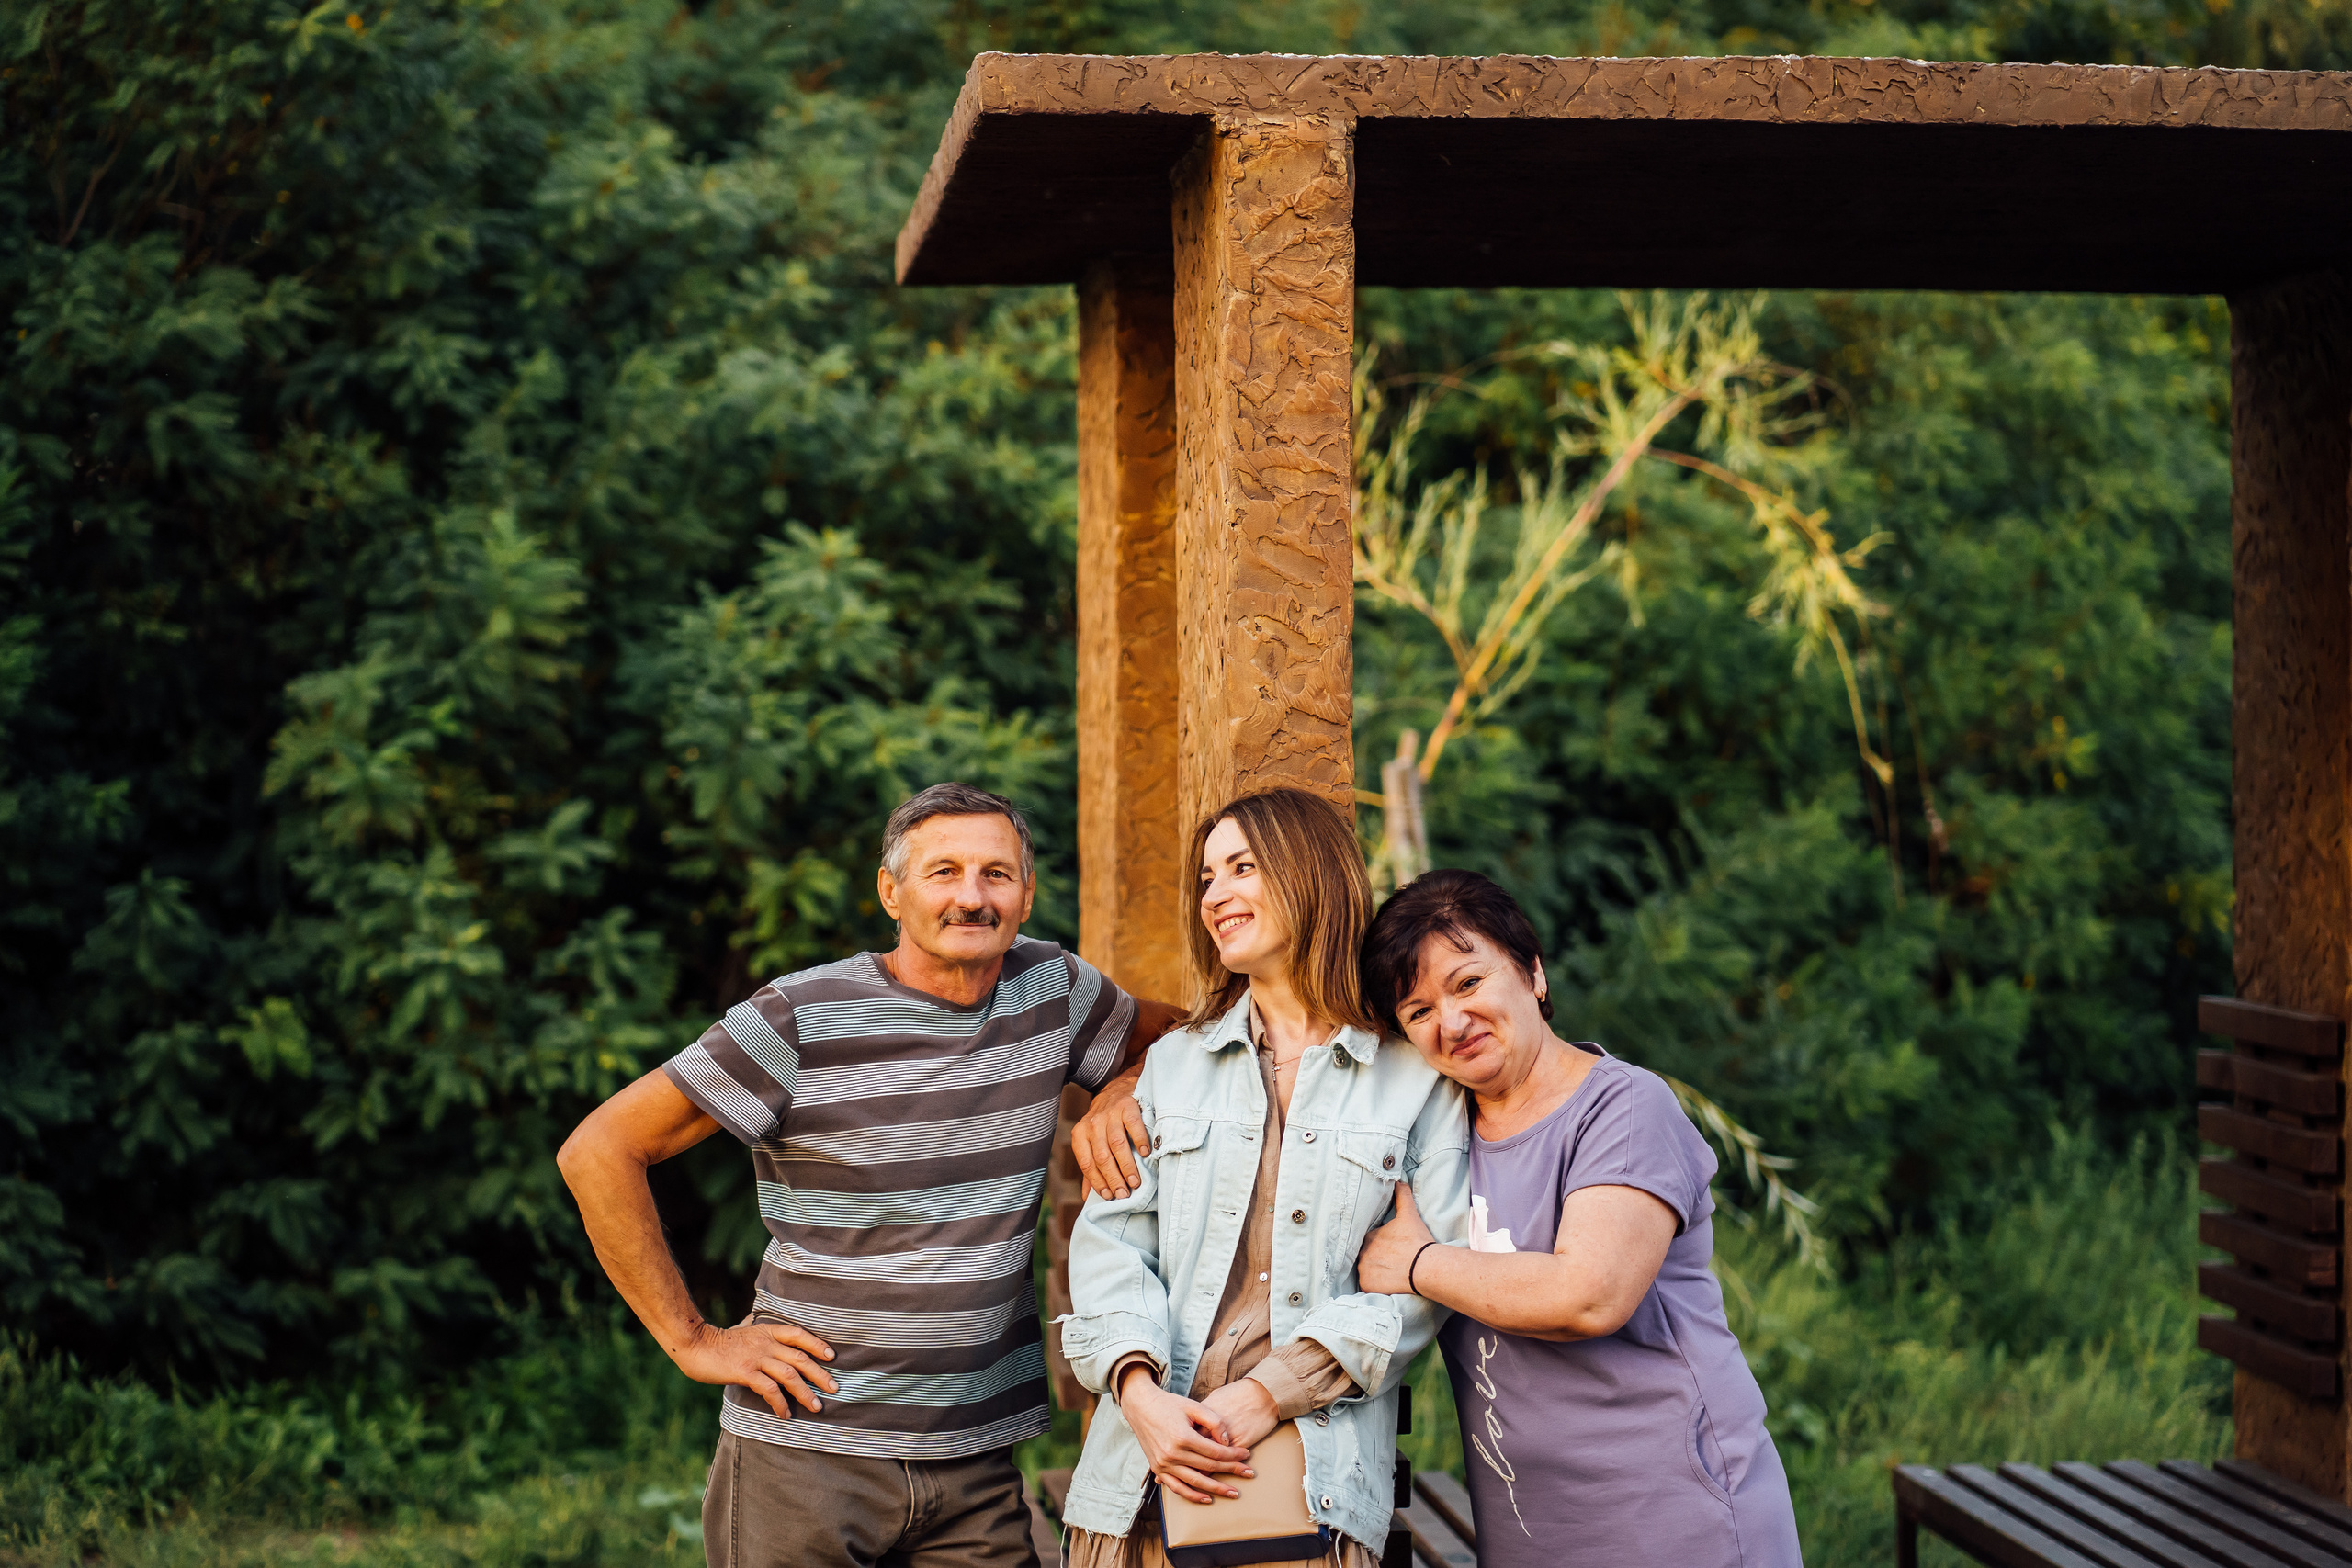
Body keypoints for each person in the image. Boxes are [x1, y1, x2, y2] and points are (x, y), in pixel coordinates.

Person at [558, 783, 1184, 1568]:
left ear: (1026, 893)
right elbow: (598, 1149)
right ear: (891, 890)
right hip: (807, 1456)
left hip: (977, 1464)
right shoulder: (799, 1016)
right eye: (943, 871)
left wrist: (1116, 1090)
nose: (971, 896)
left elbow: (1186, 1038)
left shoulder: (1054, 990)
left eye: (996, 874)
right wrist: (692, 1339)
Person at [1055, 788, 1470, 1568]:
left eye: (1242, 868)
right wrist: (1141, 1398)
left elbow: (1415, 1289)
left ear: (1310, 874)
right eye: (1208, 878)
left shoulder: (1415, 1076)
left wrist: (1265, 1394)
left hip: (1311, 1494)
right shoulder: (1174, 1065)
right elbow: (1109, 1246)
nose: (1216, 895)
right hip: (1136, 1487)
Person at [1352, 869, 1804, 1568]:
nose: (1451, 1021)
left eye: (1468, 982)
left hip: (1674, 1520)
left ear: (1533, 972)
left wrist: (1416, 1264)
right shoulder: (1438, 1135)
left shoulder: (1622, 1109)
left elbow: (1590, 1295)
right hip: (1532, 1529)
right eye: (1417, 1010)